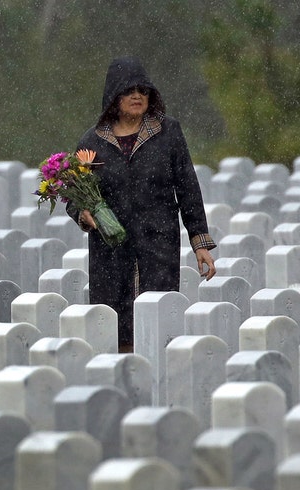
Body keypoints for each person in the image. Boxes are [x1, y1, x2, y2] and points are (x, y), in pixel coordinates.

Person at [67, 56, 216, 353]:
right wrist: (83, 213)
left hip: (158, 243)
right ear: (114, 96)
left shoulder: (168, 133)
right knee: (114, 325)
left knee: (157, 319)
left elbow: (187, 186)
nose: (137, 96)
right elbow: (73, 193)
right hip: (110, 252)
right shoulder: (92, 142)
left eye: (143, 90)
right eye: (129, 90)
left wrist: (200, 242)